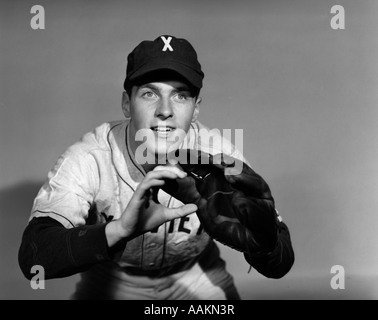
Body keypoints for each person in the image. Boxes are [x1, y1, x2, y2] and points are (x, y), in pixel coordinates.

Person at [18, 35, 294, 300]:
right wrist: (121, 229)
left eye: (181, 95)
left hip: (195, 273)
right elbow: (35, 260)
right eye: (150, 94)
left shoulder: (220, 157)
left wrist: (264, 246)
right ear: (127, 103)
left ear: (196, 109)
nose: (165, 110)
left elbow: (279, 265)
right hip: (115, 277)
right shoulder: (90, 157)